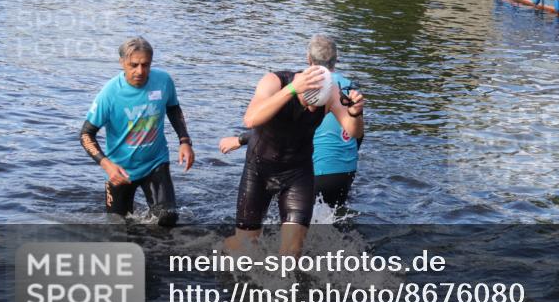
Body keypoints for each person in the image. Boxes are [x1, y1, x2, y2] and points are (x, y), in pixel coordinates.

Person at [224, 35, 365, 256]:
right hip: (259, 170)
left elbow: (353, 130)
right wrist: (290, 91)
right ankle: (220, 252)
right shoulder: (275, 81)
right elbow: (250, 119)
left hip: (298, 172)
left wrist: (355, 112)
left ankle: (280, 289)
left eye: (317, 106)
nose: (312, 111)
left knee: (292, 252)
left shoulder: (332, 92)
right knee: (245, 245)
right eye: (309, 102)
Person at [80, 37, 195, 226]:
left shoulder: (163, 81)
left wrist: (184, 141)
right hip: (121, 170)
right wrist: (107, 166)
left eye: (145, 65)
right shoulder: (109, 94)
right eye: (133, 65)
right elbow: (85, 135)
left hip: (155, 162)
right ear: (122, 63)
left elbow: (173, 108)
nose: (140, 71)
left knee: (168, 219)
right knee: (118, 226)